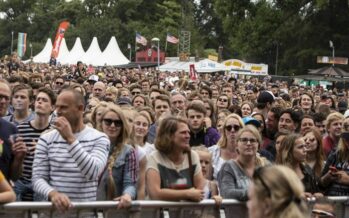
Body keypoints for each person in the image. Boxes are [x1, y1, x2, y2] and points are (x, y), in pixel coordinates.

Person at [32, 88, 110, 212]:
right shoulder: (46, 138)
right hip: (54, 213)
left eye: (64, 107)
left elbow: (93, 172)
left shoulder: (99, 138)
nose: (58, 112)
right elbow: (37, 178)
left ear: (80, 109)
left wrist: (70, 139)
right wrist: (53, 194)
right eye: (57, 107)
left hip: (85, 213)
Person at [146, 116, 205, 201]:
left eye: (188, 132)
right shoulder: (155, 158)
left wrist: (168, 193)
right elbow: (155, 194)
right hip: (161, 213)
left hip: (187, 213)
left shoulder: (192, 156)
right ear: (169, 135)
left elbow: (199, 192)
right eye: (183, 133)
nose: (188, 136)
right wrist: (187, 193)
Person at [14, 87, 56, 201]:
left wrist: (43, 149)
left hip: (43, 187)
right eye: (38, 99)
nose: (40, 102)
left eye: (44, 100)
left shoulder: (55, 133)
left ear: (52, 107)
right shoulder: (19, 129)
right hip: (20, 186)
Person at [97, 104, 138, 208]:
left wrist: (127, 195)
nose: (112, 126)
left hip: (114, 209)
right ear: (101, 123)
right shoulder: (89, 146)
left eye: (118, 123)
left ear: (123, 126)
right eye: (108, 121)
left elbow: (130, 183)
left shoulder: (129, 151)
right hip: (88, 209)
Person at [218, 125, 268, 201]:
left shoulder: (266, 166)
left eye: (252, 140)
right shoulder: (228, 167)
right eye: (244, 140)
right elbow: (227, 193)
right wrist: (256, 193)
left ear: (258, 145)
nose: (248, 143)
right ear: (237, 145)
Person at [209, 114, 244, 180]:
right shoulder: (212, 152)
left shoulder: (247, 153)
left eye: (236, 127)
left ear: (242, 130)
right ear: (224, 131)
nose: (232, 130)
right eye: (229, 128)